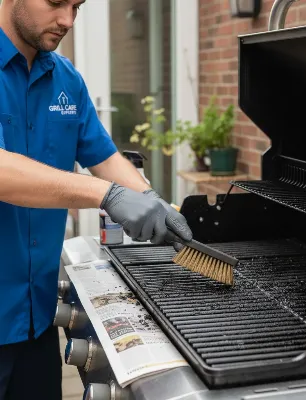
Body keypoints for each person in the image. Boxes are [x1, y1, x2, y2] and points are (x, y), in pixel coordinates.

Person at [0, 0, 192, 399]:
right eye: (56, 2)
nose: (67, 20)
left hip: (35, 320)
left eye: (77, 5)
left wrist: (152, 200)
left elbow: (102, 156)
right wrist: (109, 194)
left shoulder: (66, 79)